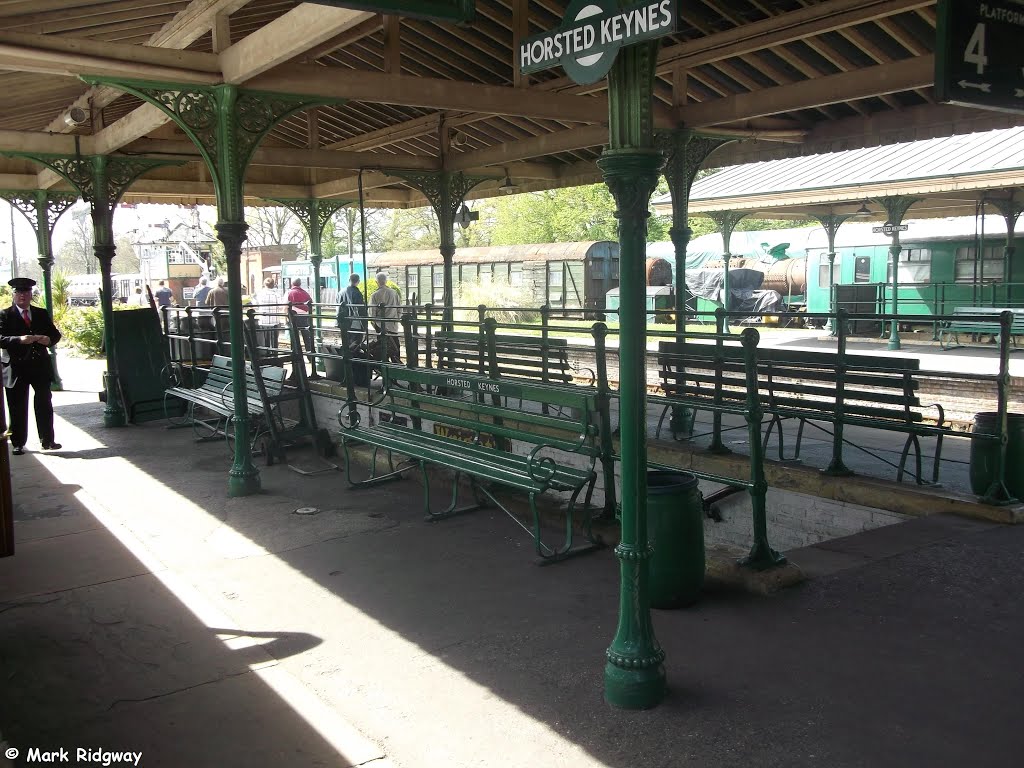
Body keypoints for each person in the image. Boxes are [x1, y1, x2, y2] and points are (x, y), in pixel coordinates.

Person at [0, 278, 62, 455]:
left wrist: (48, 340)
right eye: (19, 293)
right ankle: (18, 443)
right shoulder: (4, 315)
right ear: (13, 295)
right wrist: (19, 340)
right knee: (17, 405)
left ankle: (48, 440)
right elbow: (1, 339)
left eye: (26, 293)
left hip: (39, 366)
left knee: (44, 402)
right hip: (16, 368)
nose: (22, 296)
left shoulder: (40, 313)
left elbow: (55, 334)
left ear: (30, 295)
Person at [369, 271, 402, 363]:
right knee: (395, 348)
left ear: (376, 282)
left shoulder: (374, 295)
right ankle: (397, 367)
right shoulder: (394, 293)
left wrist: (375, 324)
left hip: (381, 326)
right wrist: (397, 319)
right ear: (386, 281)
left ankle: (385, 368)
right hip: (393, 325)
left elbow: (372, 313)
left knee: (383, 349)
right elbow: (399, 309)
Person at [251, 277, 281, 351]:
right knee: (274, 340)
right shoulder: (277, 294)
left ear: (264, 285)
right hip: (275, 321)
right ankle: (275, 355)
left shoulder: (260, 294)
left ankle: (267, 355)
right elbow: (281, 306)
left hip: (263, 320)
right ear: (273, 284)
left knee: (265, 340)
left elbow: (255, 305)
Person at [336, 273, 365, 351]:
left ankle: (346, 359)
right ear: (358, 281)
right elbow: (360, 309)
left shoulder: (341, 292)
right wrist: (364, 323)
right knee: (355, 344)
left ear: (349, 280)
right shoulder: (357, 293)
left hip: (343, 322)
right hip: (355, 323)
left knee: (346, 343)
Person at [286, 277, 313, 354]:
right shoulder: (305, 292)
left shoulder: (289, 292)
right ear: (300, 284)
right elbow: (311, 303)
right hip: (305, 317)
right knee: (307, 337)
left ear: (292, 284)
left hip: (294, 316)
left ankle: (296, 356)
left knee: (294, 337)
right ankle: (310, 355)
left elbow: (285, 305)